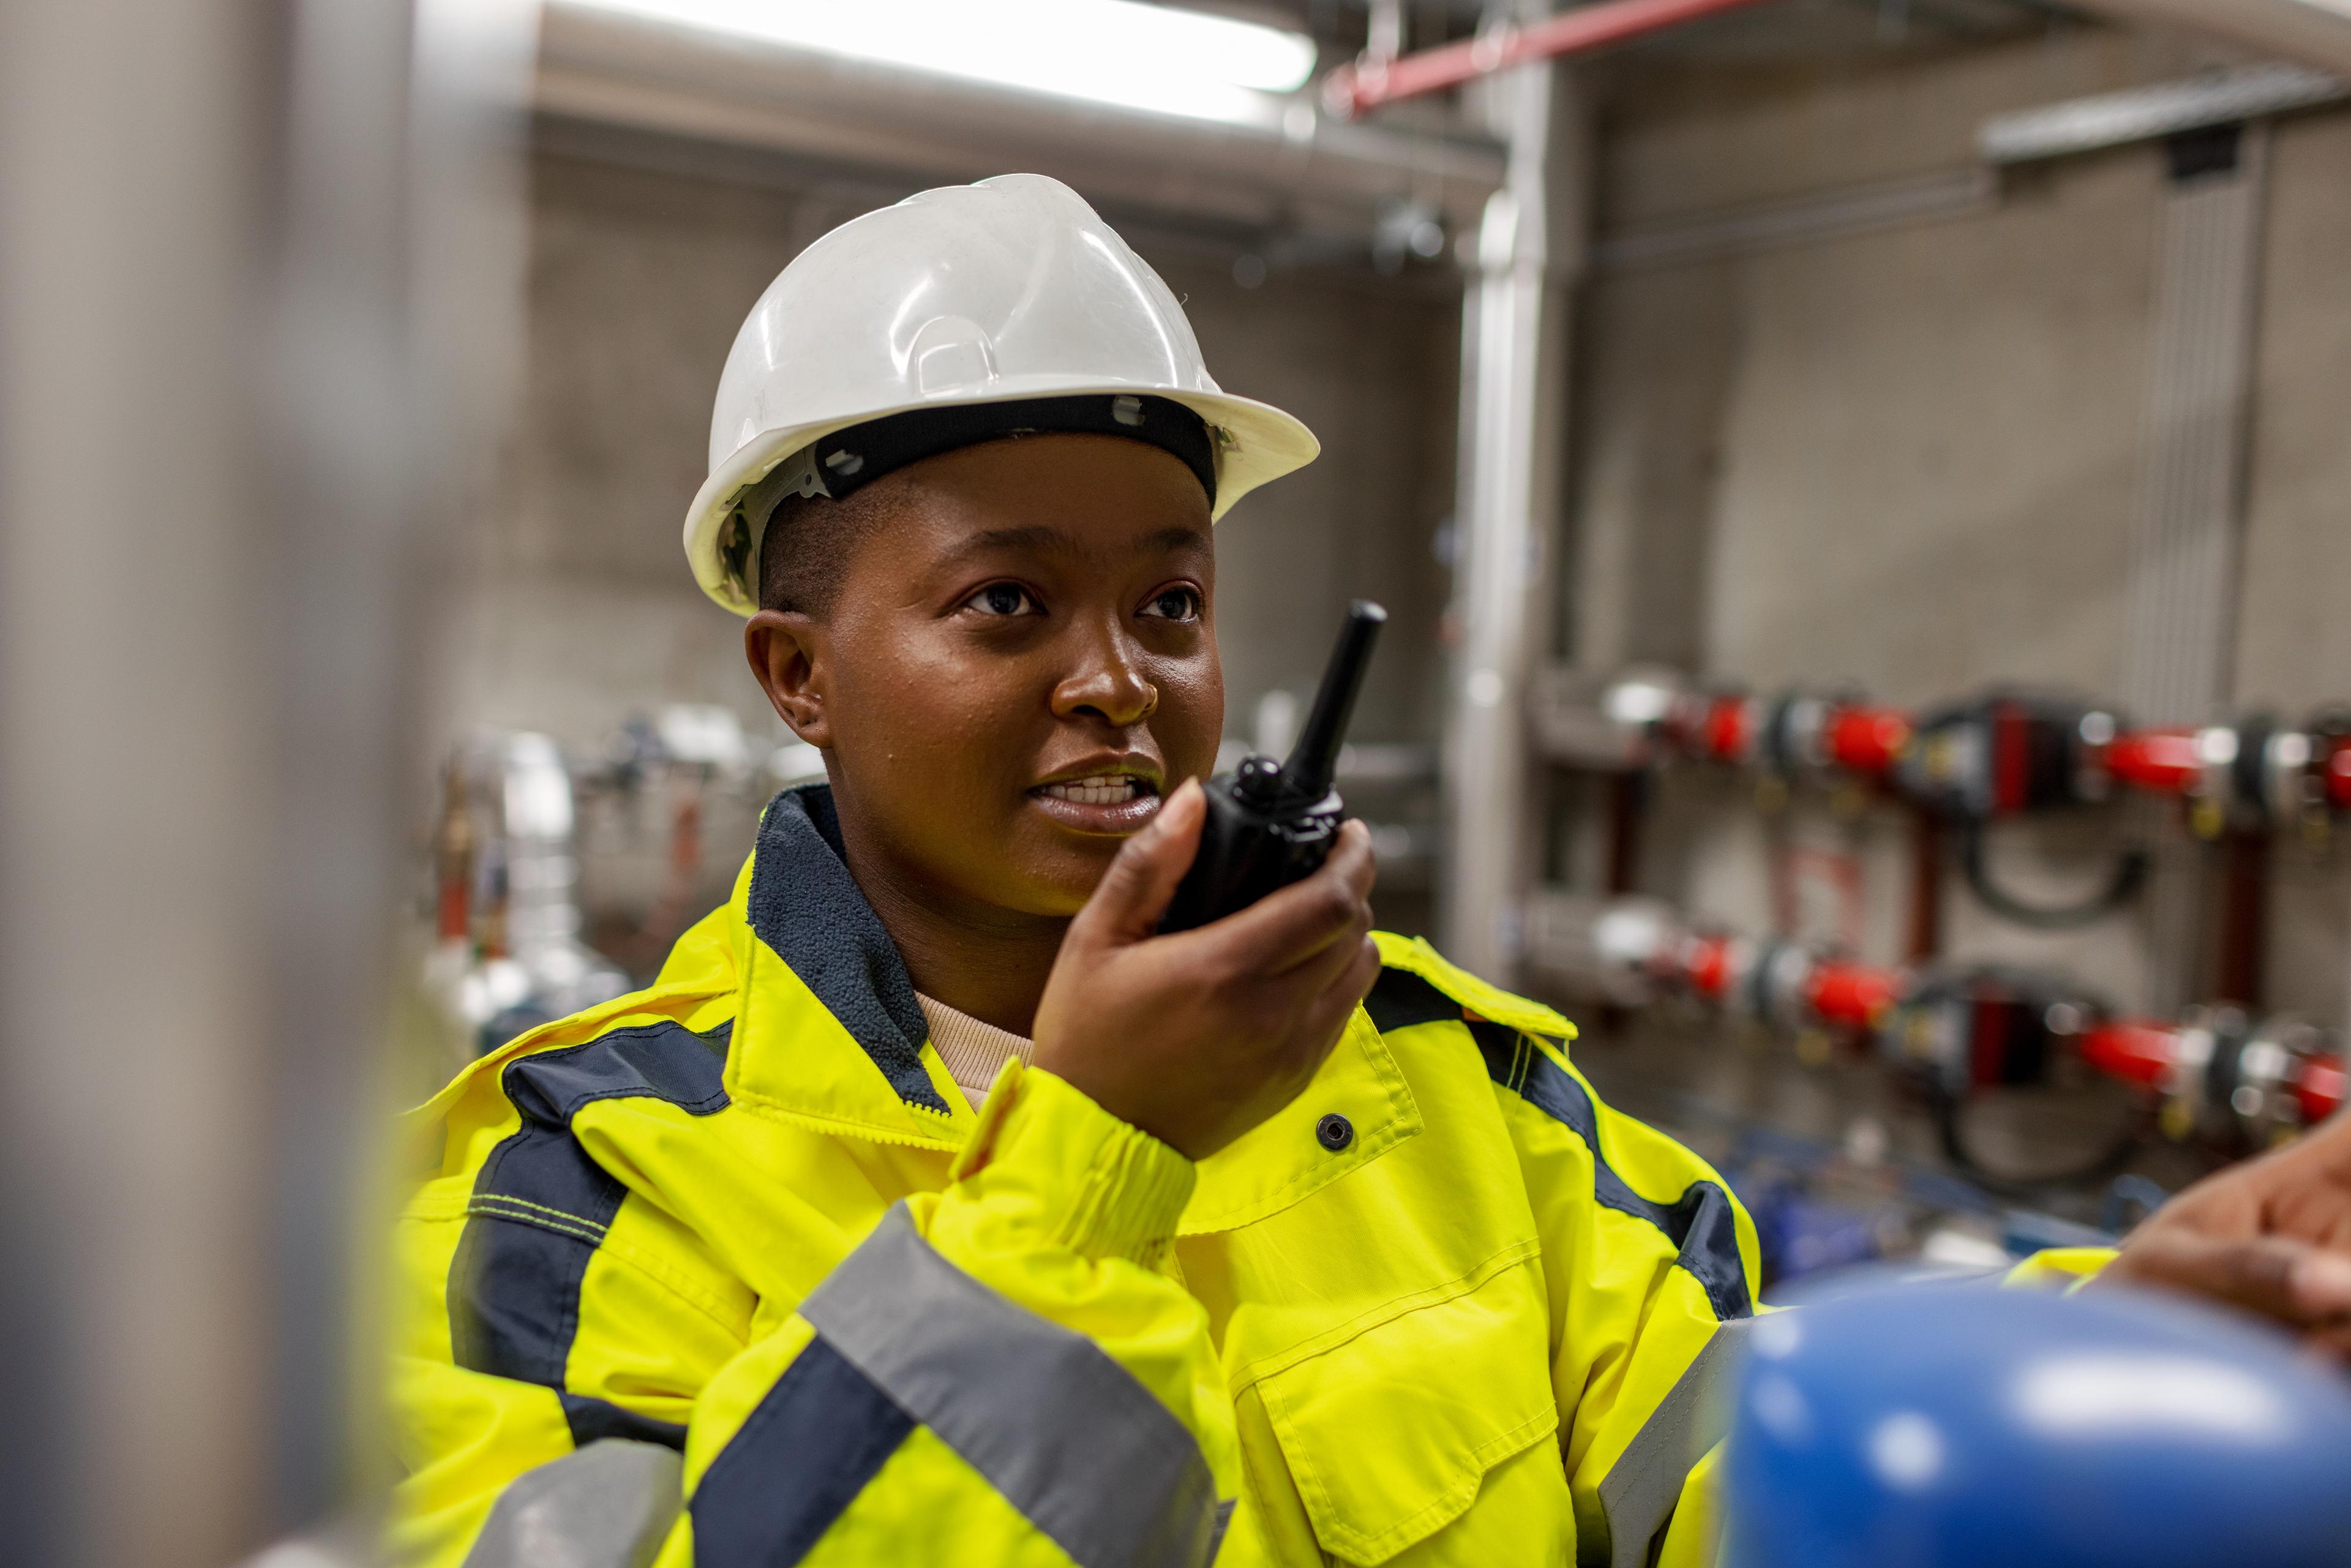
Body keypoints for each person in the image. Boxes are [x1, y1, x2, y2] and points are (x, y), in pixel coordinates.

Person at [388, 174, 2351, 1568]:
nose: (1118, 682)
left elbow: (1729, 1469)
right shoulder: (567, 1202)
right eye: (1006, 604)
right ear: (797, 674)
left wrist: (2084, 1357)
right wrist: (1091, 1160)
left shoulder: (1468, 1099)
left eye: (1171, 598)